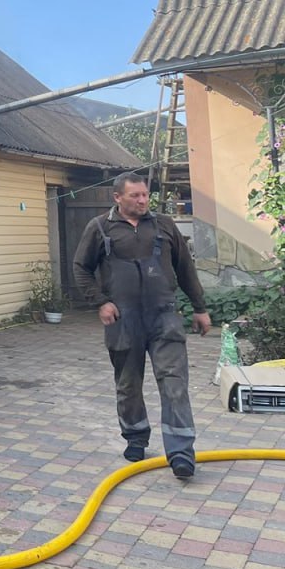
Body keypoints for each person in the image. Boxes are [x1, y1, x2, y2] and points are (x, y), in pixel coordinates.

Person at [72, 172, 211, 479]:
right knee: (128, 383)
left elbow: (185, 269)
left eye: (145, 195)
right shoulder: (99, 228)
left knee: (174, 383)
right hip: (124, 319)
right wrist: (100, 301)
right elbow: (81, 268)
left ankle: (181, 452)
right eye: (135, 196)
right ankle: (135, 437)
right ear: (117, 198)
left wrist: (200, 308)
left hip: (164, 316)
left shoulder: (164, 225)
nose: (142, 200)